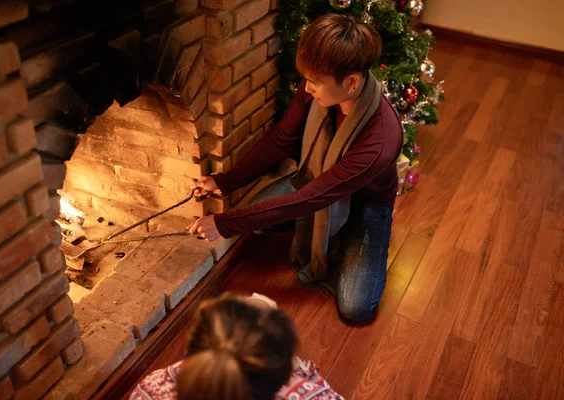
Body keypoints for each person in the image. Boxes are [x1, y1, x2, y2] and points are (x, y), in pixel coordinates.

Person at [189, 14, 403, 322]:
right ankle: (332, 235)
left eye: (316, 83)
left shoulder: (379, 139)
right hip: (317, 180)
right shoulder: (316, 86)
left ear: (352, 83)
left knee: (356, 308)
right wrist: (223, 181)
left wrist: (224, 224)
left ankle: (354, 239)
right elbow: (280, 140)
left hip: (366, 205)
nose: (308, 88)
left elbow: (311, 198)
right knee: (257, 217)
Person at [130, 293, 343, 400]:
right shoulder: (317, 396)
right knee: (263, 306)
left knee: (260, 306)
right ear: (286, 376)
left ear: (189, 351)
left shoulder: (149, 390)